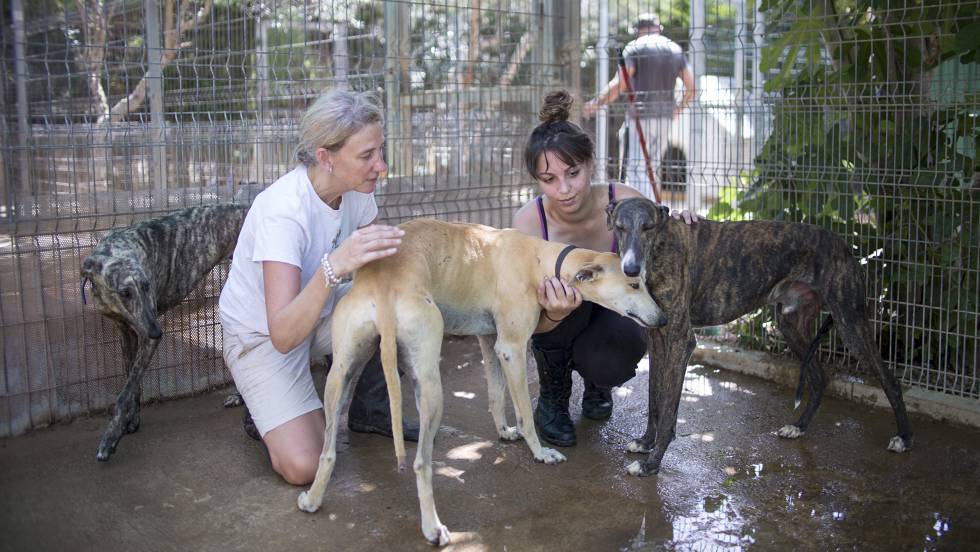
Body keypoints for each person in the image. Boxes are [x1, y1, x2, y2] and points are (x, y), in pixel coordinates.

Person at [218, 89, 418, 485]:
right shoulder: (283, 213)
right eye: (367, 156)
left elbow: (373, 276)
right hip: (264, 338)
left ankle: (368, 409)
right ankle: (263, 408)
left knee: (395, 302)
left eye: (380, 151)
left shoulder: (356, 193)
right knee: (305, 468)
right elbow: (284, 334)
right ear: (325, 157)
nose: (381, 166)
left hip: (319, 315)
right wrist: (334, 265)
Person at [512, 90, 696, 447]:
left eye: (573, 173)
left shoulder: (624, 200)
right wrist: (551, 314)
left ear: (590, 164)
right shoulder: (528, 223)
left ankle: (599, 385)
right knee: (561, 300)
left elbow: (667, 229)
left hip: (614, 319)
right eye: (549, 179)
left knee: (612, 357)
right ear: (537, 180)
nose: (564, 189)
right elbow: (523, 320)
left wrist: (685, 223)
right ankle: (553, 398)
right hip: (557, 324)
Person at [583, 12, 696, 200]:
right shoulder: (674, 49)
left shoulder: (635, 47)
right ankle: (651, 211)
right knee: (653, 168)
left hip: (640, 117)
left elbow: (620, 84)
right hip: (665, 117)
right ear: (659, 29)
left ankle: (641, 211)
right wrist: (678, 108)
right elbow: (691, 87)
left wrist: (596, 103)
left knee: (637, 168)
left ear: (637, 31)